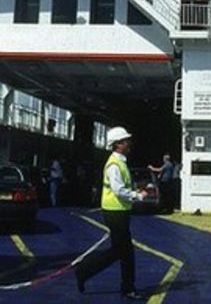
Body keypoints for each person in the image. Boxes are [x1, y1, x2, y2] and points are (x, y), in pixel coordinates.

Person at [75, 127, 147, 300]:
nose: (129, 143)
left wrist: (135, 189)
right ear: (118, 144)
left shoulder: (120, 162)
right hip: (115, 212)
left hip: (119, 211)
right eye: (126, 140)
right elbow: (118, 189)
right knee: (125, 252)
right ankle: (126, 288)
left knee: (119, 251)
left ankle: (85, 271)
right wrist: (138, 195)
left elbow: (122, 187)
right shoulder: (114, 164)